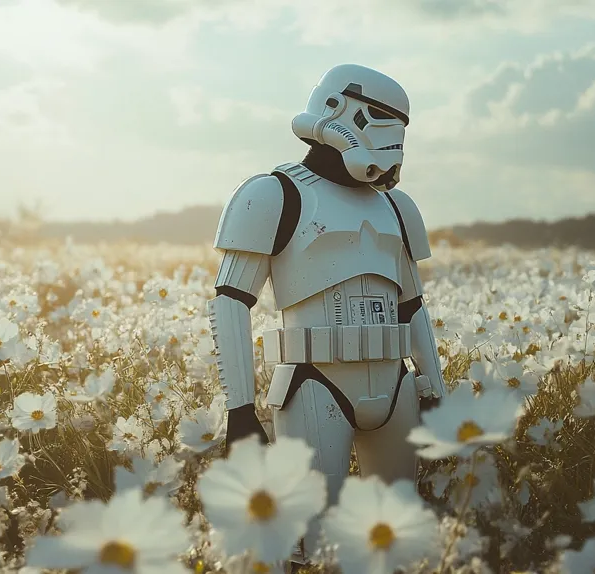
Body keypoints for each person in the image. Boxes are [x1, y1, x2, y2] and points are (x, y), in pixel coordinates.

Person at [205, 63, 446, 569]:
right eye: (382, 120)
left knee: (398, 533)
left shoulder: (398, 207)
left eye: (399, 126)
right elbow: (230, 300)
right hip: (314, 384)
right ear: (339, 110)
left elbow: (412, 303)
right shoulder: (272, 193)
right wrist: (240, 409)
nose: (393, 140)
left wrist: (433, 388)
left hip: (395, 383)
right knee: (313, 542)